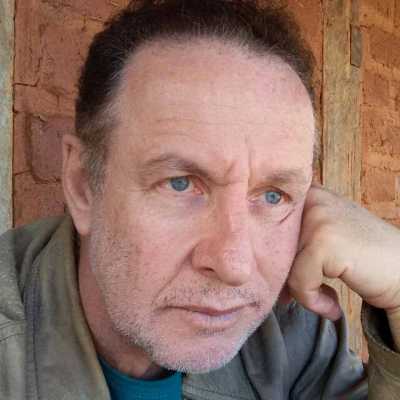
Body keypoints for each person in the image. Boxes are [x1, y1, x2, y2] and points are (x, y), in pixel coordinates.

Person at [1, 0, 400, 398]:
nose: (234, 266)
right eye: (180, 183)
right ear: (82, 184)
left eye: (273, 195)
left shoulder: (288, 330)